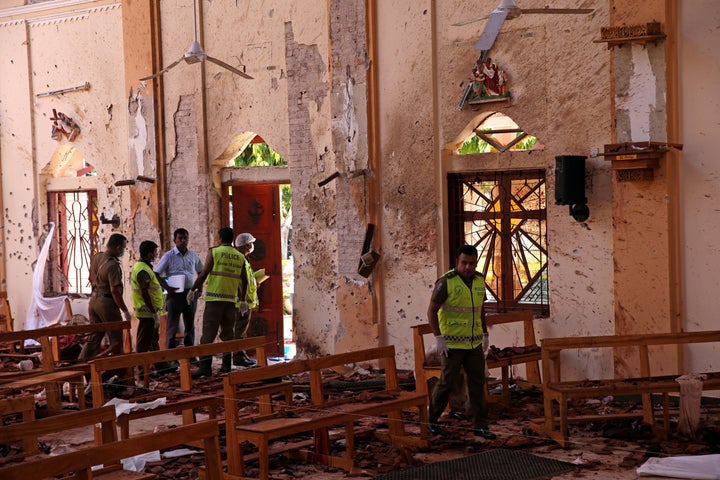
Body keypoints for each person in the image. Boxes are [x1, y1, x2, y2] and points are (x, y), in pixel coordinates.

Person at [427, 244, 496, 440]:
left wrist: (484, 334)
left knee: (477, 384)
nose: (468, 267)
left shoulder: (479, 281)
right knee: (446, 382)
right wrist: (438, 338)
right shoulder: (446, 282)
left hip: (473, 344)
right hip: (451, 345)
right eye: (464, 263)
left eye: (472, 263)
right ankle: (431, 421)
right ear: (457, 262)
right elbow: (432, 311)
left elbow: (480, 309)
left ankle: (480, 425)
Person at [187, 227, 248, 377]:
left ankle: (205, 368)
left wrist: (192, 290)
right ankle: (226, 367)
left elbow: (203, 274)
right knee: (228, 335)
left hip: (214, 300)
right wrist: (243, 300)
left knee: (208, 335)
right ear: (232, 239)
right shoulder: (240, 256)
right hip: (230, 301)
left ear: (220, 238)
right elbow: (244, 281)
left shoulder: (215, 252)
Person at [79, 233, 132, 359]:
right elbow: (115, 291)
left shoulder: (97, 257)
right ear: (118, 248)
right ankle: (117, 371)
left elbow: (90, 278)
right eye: (123, 248)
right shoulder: (113, 266)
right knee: (116, 339)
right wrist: (125, 310)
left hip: (93, 301)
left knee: (94, 337)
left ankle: (81, 363)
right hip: (106, 304)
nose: (123, 251)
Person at [154, 228, 203, 351]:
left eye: (185, 238)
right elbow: (156, 273)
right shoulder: (169, 256)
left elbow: (201, 272)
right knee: (172, 325)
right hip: (175, 294)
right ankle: (171, 356)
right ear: (174, 240)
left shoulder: (193, 255)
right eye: (180, 238)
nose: (183, 241)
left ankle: (190, 354)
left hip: (190, 293)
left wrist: (199, 290)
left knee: (190, 325)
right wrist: (167, 288)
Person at [131, 240, 175, 375]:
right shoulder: (142, 270)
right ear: (149, 254)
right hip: (147, 313)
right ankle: (142, 372)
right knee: (144, 343)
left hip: (150, 312)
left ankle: (162, 367)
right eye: (155, 252)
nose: (156, 254)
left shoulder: (146, 267)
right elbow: (145, 293)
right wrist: (153, 313)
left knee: (153, 341)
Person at [232, 233, 259, 367]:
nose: (252, 245)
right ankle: (238, 357)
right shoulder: (240, 259)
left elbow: (247, 280)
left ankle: (242, 355)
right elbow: (240, 282)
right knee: (239, 331)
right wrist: (242, 301)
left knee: (242, 330)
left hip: (246, 301)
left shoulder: (244, 259)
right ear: (246, 245)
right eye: (251, 243)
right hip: (241, 302)